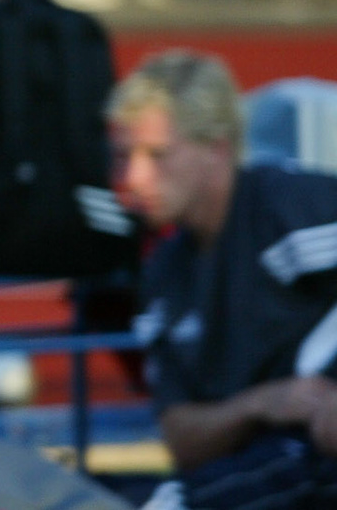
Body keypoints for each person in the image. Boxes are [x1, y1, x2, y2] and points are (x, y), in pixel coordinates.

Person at [111, 49, 337, 506]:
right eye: (124, 155)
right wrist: (261, 403)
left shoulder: (284, 209)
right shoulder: (164, 274)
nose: (132, 177)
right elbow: (182, 440)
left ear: (217, 148)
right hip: (264, 469)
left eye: (157, 155)